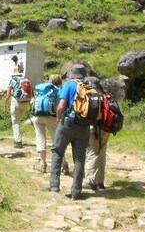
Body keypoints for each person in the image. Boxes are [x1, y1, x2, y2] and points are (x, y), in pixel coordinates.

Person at [49, 63, 92, 200]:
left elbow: (61, 105)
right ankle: (76, 191)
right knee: (79, 159)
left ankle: (54, 184)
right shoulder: (90, 86)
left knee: (57, 151)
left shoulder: (69, 84)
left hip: (68, 123)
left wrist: (58, 117)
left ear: (72, 73)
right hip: (84, 125)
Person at [30, 74, 63, 173]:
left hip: (38, 116)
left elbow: (32, 102)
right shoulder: (58, 91)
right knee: (57, 141)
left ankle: (43, 164)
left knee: (40, 139)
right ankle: (63, 164)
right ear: (60, 82)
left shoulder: (41, 90)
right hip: (52, 117)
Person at [85, 76, 109, 190]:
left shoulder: (91, 95)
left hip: (94, 128)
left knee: (92, 152)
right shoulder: (105, 95)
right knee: (102, 153)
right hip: (106, 128)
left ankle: (90, 180)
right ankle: (100, 182)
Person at [4, 64, 31, 149]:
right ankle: (18, 137)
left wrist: (5, 105)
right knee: (18, 121)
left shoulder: (12, 80)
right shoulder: (26, 79)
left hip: (16, 102)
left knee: (16, 122)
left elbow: (8, 94)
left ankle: (18, 142)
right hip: (26, 103)